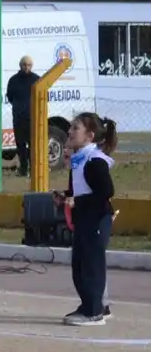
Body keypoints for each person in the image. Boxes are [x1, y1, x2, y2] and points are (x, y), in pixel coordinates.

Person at [58, 112, 117, 326]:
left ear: (89, 136)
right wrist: (66, 196)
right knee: (82, 264)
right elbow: (81, 189)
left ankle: (94, 313)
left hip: (96, 219)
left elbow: (106, 192)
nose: (69, 132)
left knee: (91, 266)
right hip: (85, 218)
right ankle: (94, 305)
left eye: (75, 128)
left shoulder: (94, 160)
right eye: (71, 127)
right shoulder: (81, 158)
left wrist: (78, 202)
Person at [7, 57, 40, 177]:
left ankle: (34, 169)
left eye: (29, 65)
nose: (27, 67)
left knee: (33, 145)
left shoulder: (37, 80)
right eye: (24, 65)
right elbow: (10, 96)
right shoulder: (13, 80)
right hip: (18, 117)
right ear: (20, 65)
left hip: (32, 118)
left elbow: (43, 96)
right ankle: (23, 169)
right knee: (20, 145)